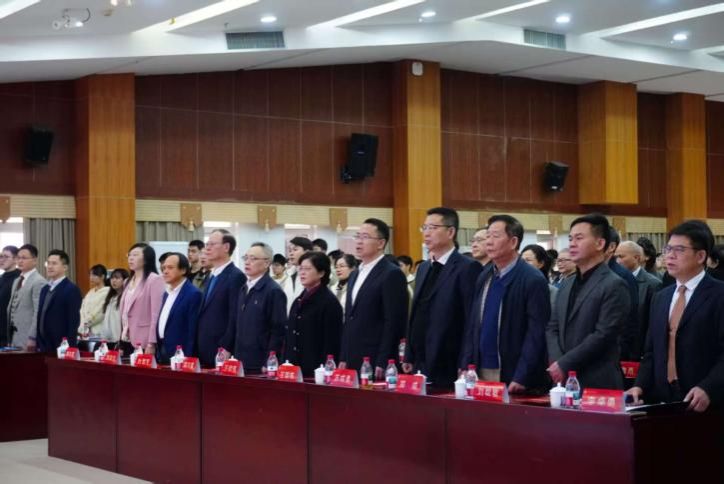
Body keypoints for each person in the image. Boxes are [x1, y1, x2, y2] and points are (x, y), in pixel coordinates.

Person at [628, 220, 724, 412]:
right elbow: (651, 352)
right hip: (663, 398)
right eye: (668, 249)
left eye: (679, 250)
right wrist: (639, 385)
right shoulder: (661, 297)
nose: (670, 256)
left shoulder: (719, 295)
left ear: (701, 256)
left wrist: (709, 387)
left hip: (705, 401)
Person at [460, 215, 550, 392]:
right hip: (481, 368)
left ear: (513, 242)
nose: (489, 242)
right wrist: (466, 363)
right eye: (488, 236)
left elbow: (536, 332)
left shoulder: (532, 279)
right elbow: (473, 324)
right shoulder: (485, 276)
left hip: (513, 371)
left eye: (495, 236)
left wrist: (522, 374)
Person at [546, 214, 629, 390]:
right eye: (570, 239)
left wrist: (565, 363)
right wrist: (558, 361)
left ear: (600, 244)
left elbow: (604, 334)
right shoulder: (567, 283)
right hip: (562, 379)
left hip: (597, 380)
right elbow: (552, 326)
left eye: (579, 238)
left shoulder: (614, 284)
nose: (572, 244)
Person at [403, 207, 483, 386]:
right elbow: (416, 313)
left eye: (433, 228)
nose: (426, 233)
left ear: (451, 232)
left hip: (449, 357)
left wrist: (466, 361)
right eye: (424, 228)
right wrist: (409, 353)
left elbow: (471, 319)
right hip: (420, 357)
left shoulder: (467, 267)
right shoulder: (424, 268)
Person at [339, 218, 408, 379]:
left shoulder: (391, 273)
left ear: (381, 243)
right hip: (353, 355)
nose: (359, 241)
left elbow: (394, 321)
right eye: (357, 236)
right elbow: (349, 318)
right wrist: (343, 356)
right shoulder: (355, 274)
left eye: (365, 237)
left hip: (375, 357)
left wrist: (384, 359)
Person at [221, 243, 286, 372]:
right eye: (246, 258)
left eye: (253, 259)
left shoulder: (273, 291)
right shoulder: (243, 288)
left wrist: (270, 361)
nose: (247, 262)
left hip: (260, 362)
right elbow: (235, 321)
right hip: (239, 359)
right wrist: (227, 347)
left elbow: (278, 331)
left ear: (267, 263)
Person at [284, 251, 343, 376]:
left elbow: (332, 342)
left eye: (307, 269)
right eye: (300, 268)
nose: (302, 272)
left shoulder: (329, 302)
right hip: (293, 367)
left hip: (316, 369)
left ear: (321, 273)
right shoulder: (298, 300)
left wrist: (326, 370)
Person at [197, 229, 246, 367]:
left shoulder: (236, 276)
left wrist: (227, 346)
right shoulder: (211, 275)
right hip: (204, 345)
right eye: (207, 244)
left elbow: (234, 315)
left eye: (212, 244)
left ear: (226, 247)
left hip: (220, 348)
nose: (207, 248)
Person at [615, 241, 662, 360]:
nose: (617, 261)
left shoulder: (652, 284)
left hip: (638, 351)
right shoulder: (613, 281)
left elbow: (653, 323)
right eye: (616, 257)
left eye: (621, 256)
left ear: (636, 257)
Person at [119, 243, 166, 356]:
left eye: (135, 255)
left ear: (146, 259)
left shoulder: (154, 280)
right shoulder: (127, 281)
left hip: (144, 340)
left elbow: (155, 314)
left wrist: (151, 343)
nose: (131, 258)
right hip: (126, 338)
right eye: (129, 255)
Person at [156, 252, 202, 364]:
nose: (165, 271)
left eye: (170, 268)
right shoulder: (166, 293)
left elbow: (192, 330)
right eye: (164, 268)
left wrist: (188, 357)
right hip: (162, 350)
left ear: (183, 270)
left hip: (180, 354)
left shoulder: (193, 294)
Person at [36, 250, 82, 353]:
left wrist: (69, 347)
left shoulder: (71, 289)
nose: (49, 266)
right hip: (43, 345)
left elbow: (73, 321)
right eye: (48, 263)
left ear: (65, 267)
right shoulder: (45, 289)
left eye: (54, 263)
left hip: (61, 346)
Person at [605, 229, 640, 361]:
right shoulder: (586, 275)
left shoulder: (623, 276)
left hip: (615, 351)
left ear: (611, 247)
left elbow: (628, 320)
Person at [7, 244, 46, 350]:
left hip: (28, 339)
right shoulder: (17, 281)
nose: (20, 261)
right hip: (14, 338)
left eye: (24, 258)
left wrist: (32, 337)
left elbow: (38, 312)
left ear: (34, 260)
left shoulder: (39, 281)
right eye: (18, 258)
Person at [280, 237, 313, 314]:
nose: (291, 253)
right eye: (290, 250)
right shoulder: (288, 274)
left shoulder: (313, 275)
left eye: (295, 250)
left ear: (307, 252)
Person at [521, 244, 559, 309]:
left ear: (541, 263)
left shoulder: (552, 292)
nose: (523, 264)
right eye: (521, 260)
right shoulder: (515, 287)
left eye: (528, 260)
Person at [78, 264, 110, 338]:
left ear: (102, 277)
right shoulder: (90, 292)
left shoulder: (107, 292)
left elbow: (100, 312)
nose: (91, 278)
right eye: (90, 275)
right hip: (85, 330)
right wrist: (83, 323)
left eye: (94, 275)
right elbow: (82, 309)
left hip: (99, 330)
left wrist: (86, 323)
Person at [100, 268, 128, 344]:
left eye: (117, 278)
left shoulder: (126, 297)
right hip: (108, 339)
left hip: (121, 340)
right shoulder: (110, 297)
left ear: (125, 280)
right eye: (112, 278)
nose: (113, 280)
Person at [0, 246, 20, 346]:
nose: (2, 260)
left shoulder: (20, 278)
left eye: (6, 257)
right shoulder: (1, 278)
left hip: (10, 334)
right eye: (1, 256)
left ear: (16, 259)